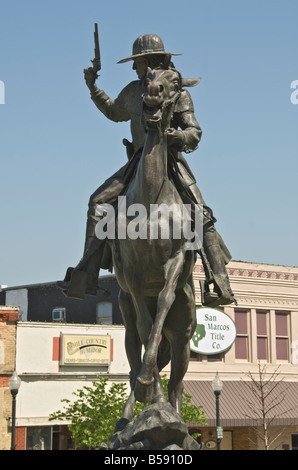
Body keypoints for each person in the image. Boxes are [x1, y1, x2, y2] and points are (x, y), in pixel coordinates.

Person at [58, 34, 235, 307]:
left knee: (201, 214)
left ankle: (219, 282)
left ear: (150, 61)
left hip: (171, 163)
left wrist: (175, 137)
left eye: (137, 62)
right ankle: (88, 274)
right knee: (97, 202)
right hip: (136, 162)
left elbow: (194, 132)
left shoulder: (178, 91)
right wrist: (93, 87)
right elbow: (113, 112)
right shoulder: (132, 90)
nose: (134, 68)